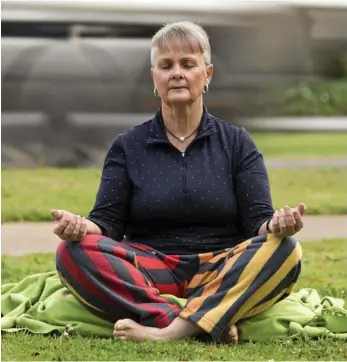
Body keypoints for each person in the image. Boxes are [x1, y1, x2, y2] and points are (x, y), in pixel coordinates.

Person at [53, 21, 306, 344]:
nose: (177, 73)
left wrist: (277, 225)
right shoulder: (128, 145)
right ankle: (196, 319)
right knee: (71, 253)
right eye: (166, 65)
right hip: (149, 270)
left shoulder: (238, 142)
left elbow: (257, 223)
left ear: (207, 74)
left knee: (286, 250)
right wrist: (78, 227)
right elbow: (107, 224)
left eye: (188, 64)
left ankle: (170, 332)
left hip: (220, 269)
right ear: (154, 78)